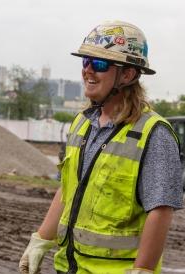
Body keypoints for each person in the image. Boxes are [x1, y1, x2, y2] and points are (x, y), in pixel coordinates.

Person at [19, 20, 183, 274]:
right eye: (85, 62)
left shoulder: (154, 134)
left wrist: (144, 269)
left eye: (99, 64)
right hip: (69, 267)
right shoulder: (82, 123)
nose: (87, 71)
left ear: (127, 75)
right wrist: (40, 239)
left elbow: (160, 210)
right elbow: (68, 188)